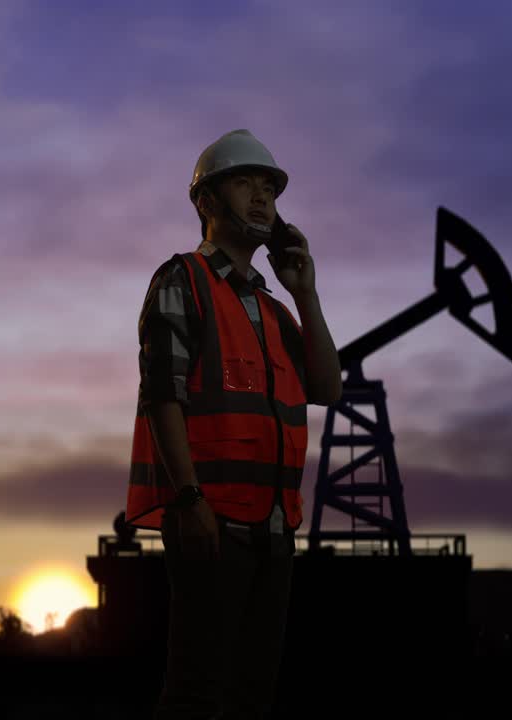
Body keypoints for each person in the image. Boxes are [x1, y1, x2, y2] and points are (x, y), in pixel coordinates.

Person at [126, 129, 342, 719]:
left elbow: (327, 389)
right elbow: (162, 395)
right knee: (198, 692)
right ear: (206, 201)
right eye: (244, 183)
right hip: (212, 518)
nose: (261, 197)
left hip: (274, 525)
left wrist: (306, 294)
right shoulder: (183, 280)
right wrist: (189, 498)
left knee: (253, 695)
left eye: (268, 187)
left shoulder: (273, 309)